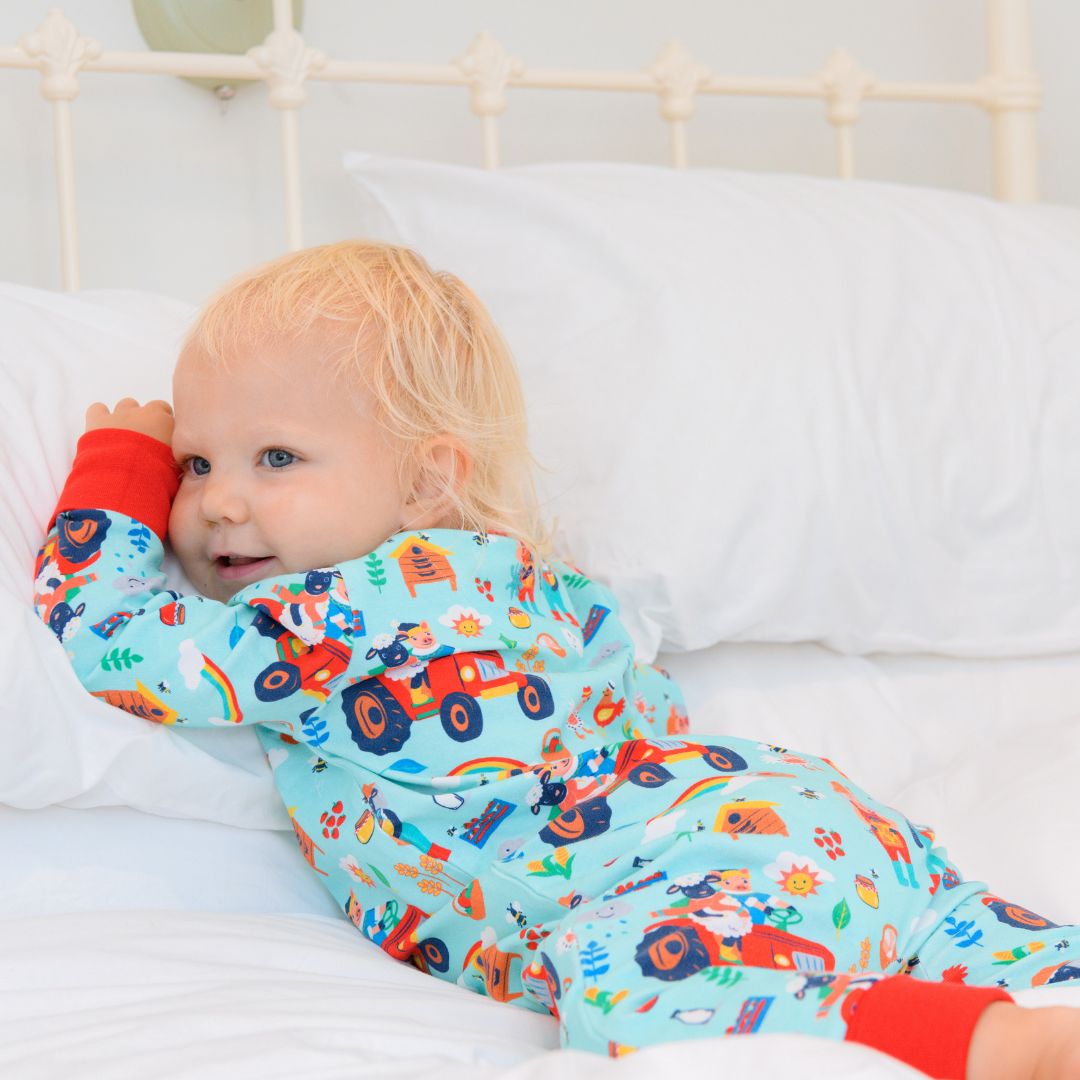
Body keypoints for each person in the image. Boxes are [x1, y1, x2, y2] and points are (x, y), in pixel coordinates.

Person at [33, 241, 1080, 1078]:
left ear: (425, 480)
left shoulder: (338, 609)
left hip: (680, 866)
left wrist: (118, 478)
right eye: (193, 463)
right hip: (808, 826)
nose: (218, 500)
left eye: (276, 459)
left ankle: (1004, 1051)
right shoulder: (535, 583)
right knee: (970, 936)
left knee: (639, 1000)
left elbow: (131, 650)